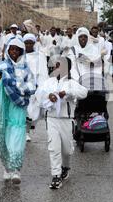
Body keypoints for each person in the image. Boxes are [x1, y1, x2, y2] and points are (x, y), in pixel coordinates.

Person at [36, 56, 88, 190]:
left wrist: (67, 92)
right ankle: (56, 176)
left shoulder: (71, 82)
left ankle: (65, 167)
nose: (57, 68)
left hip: (66, 119)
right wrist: (49, 96)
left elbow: (84, 92)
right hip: (52, 119)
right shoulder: (49, 82)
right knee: (53, 148)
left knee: (66, 149)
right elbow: (38, 94)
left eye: (60, 65)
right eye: (56, 65)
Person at [0, 37, 36, 185]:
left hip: (18, 106)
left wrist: (18, 88)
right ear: (8, 50)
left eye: (17, 49)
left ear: (21, 51)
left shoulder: (25, 68)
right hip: (4, 106)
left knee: (17, 133)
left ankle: (15, 169)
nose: (14, 52)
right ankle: (6, 167)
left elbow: (32, 86)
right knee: (3, 134)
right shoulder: (2, 66)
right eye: (12, 49)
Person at [24, 33, 49, 142]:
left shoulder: (40, 56)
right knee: (26, 110)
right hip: (23, 87)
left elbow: (43, 72)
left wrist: (41, 86)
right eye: (26, 43)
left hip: (36, 86)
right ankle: (25, 132)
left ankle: (30, 127)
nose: (28, 45)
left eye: (30, 43)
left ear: (34, 44)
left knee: (35, 111)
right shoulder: (20, 55)